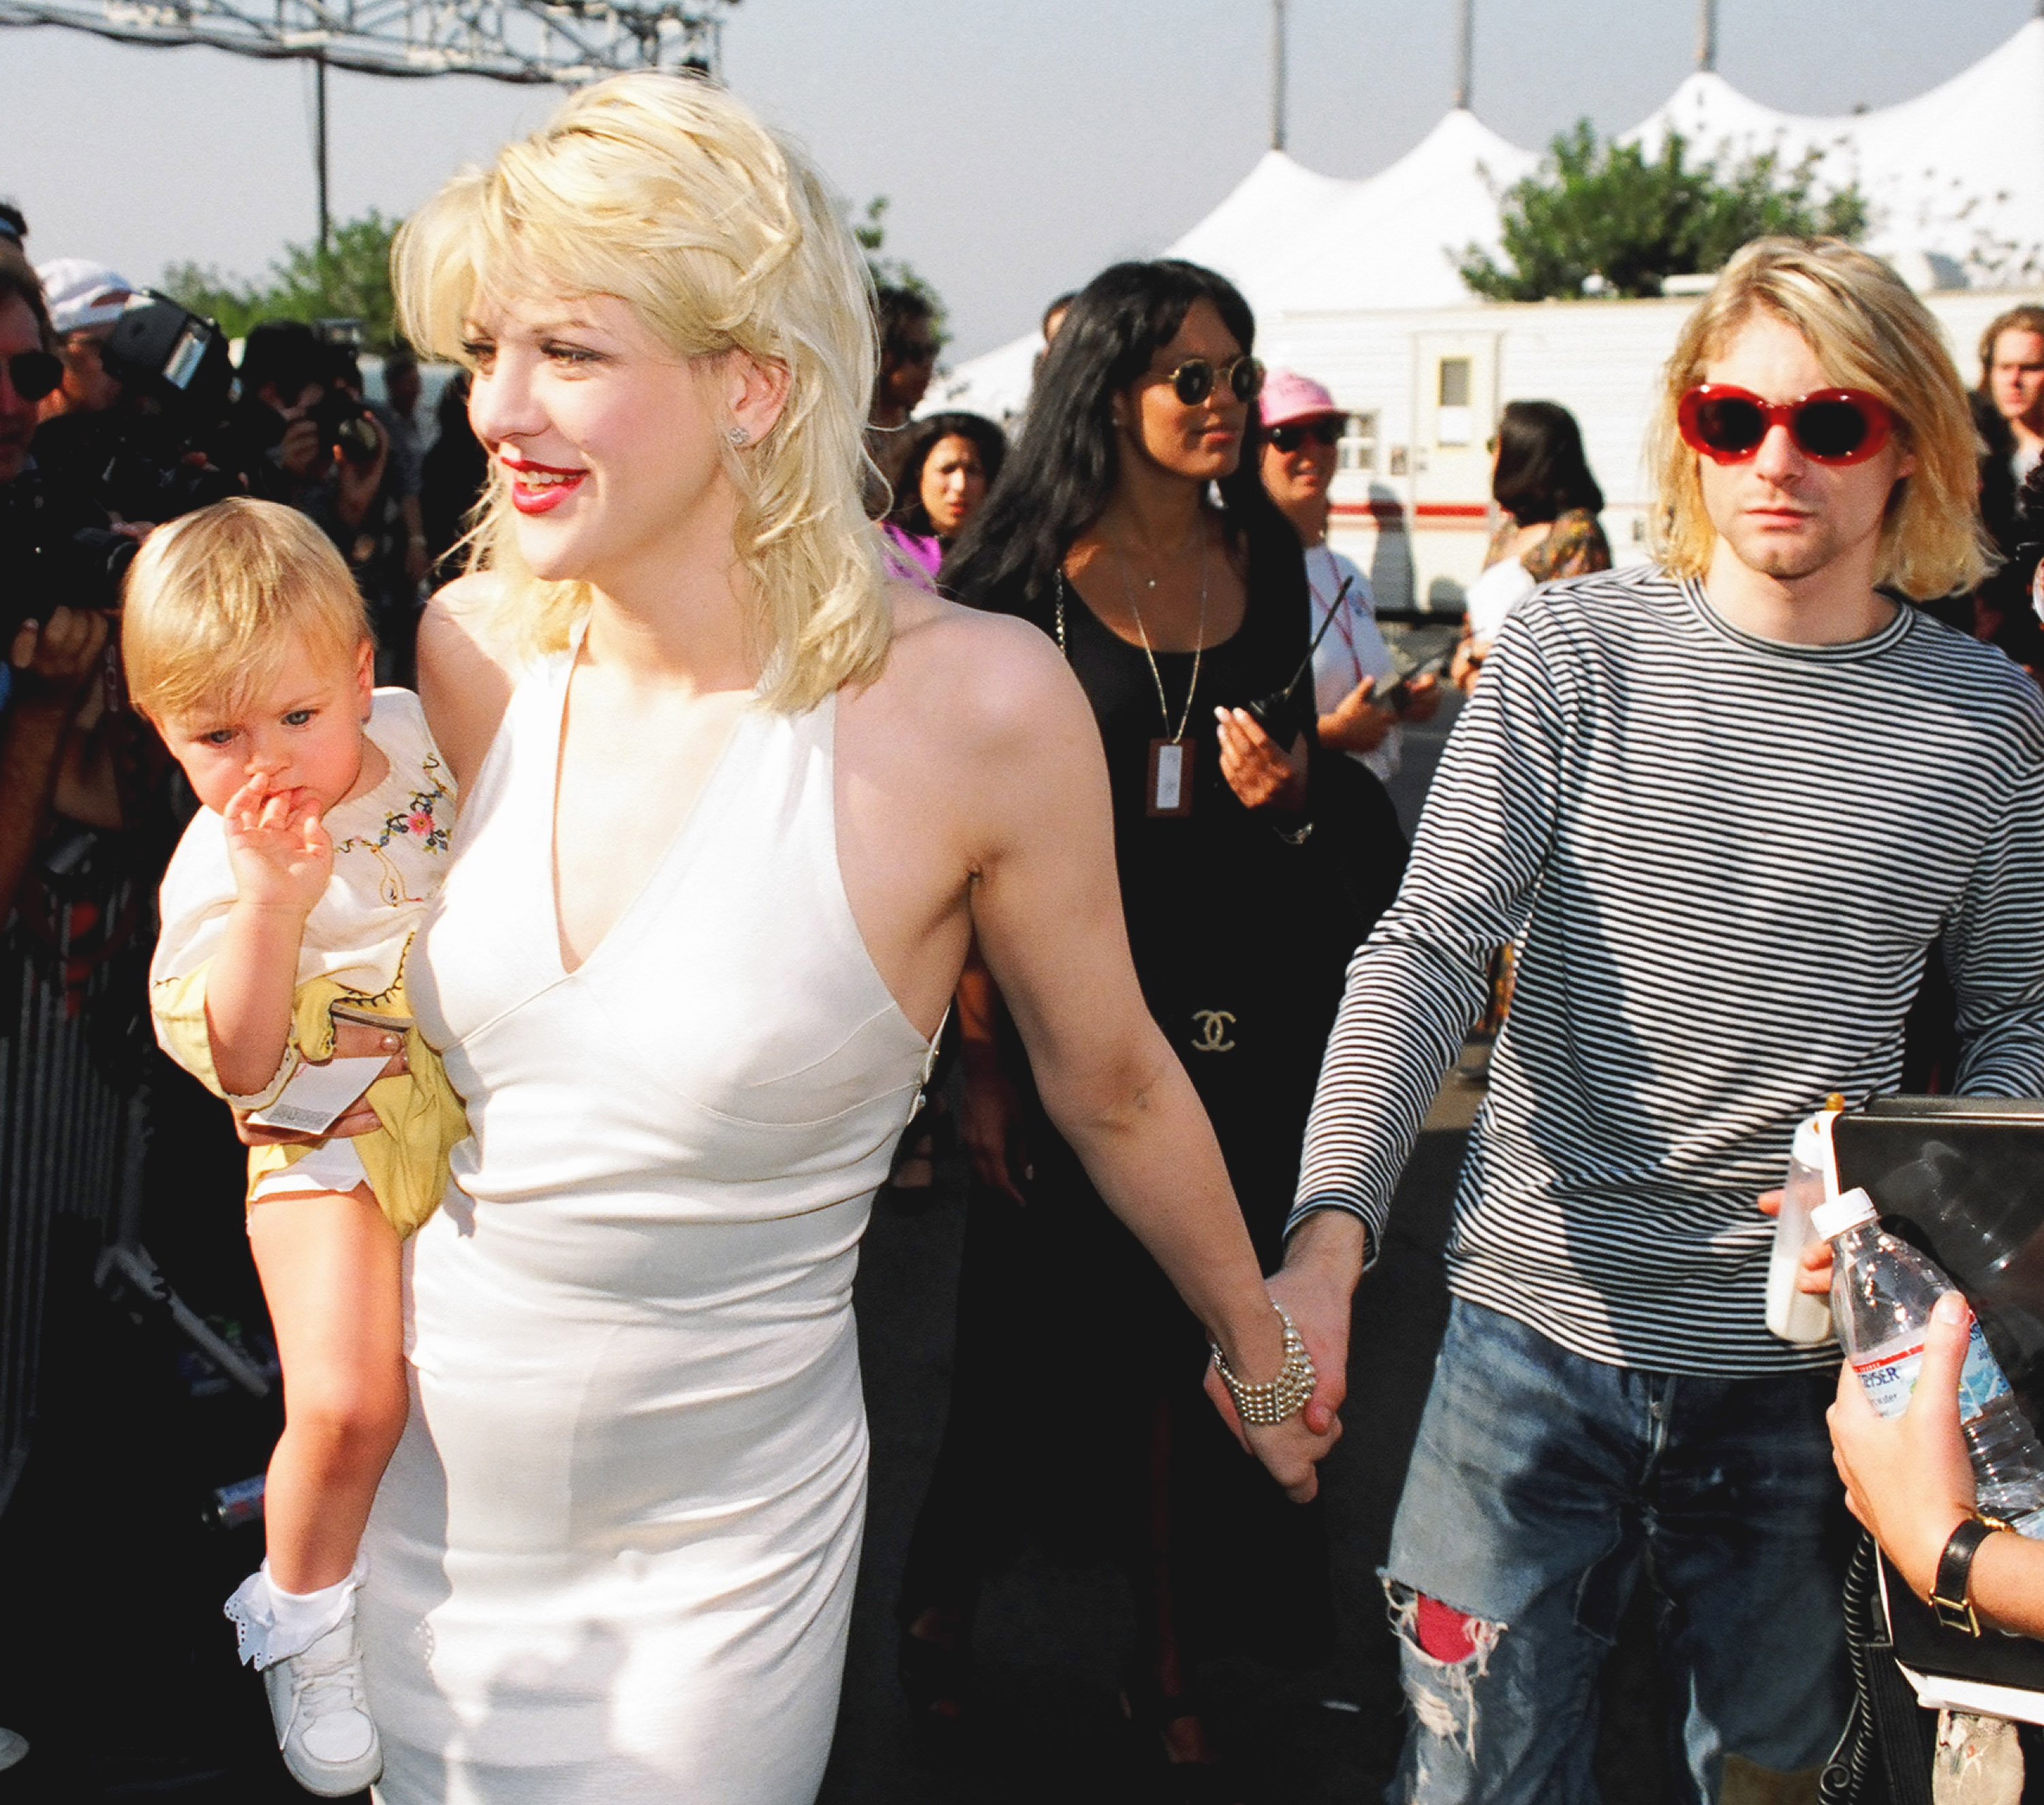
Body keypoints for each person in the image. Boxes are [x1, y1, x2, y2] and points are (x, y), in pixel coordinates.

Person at [251, 74, 1331, 1805]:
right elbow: (339, 1059)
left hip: (716, 1563)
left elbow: (1111, 1074)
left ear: (751, 380)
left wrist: (1257, 1348)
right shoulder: (459, 649)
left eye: (570, 355)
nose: (499, 411)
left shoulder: (971, 706)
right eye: (483, 353)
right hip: (424, 1528)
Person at [1273, 236, 2044, 1805]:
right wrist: (1326, 1237)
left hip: (1808, 1385)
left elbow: (2019, 1017)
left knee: (1768, 1783)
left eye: (1830, 424)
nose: (1774, 459)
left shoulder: (1984, 719)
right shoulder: (1571, 650)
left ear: (1908, 445)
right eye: (1729, 418)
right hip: (1521, 1342)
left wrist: (1908, 1203)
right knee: (1479, 1780)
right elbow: (1428, 945)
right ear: (1687, 432)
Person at [897, 260, 1399, 1791]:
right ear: (1109, 390)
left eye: (1238, 374)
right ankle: (936, 1601)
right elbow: (958, 848)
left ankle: (1172, 1652)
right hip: (1066, 1022)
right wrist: (983, 1060)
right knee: (1028, 1358)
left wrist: (1297, 791)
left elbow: (1311, 781)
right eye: (1190, 375)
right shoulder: (1016, 582)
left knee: (1207, 1330)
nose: (1223, 402)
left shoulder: (1268, 553)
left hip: (1239, 1010)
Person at [129, 498, 467, 1797]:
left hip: (462, 1107)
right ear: (163, 733)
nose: (265, 759)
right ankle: (302, 1614)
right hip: (322, 1142)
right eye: (216, 735)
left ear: (360, 666)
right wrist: (273, 899)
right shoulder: (220, 863)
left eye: (296, 716)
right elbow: (249, 1057)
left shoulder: (419, 731)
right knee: (347, 1396)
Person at [1258, 369, 1439, 784]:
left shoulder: (1348, 572)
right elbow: (1226, 720)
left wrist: (1404, 698)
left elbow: (1356, 681)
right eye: (1287, 436)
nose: (1313, 450)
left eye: (1326, 431)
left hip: (1365, 811)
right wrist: (1331, 734)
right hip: (1295, 820)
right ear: (1253, 452)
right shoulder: (1242, 572)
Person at [1450, 398, 1609, 693]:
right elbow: (1476, 626)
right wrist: (1469, 665)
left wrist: (1478, 656)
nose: (1491, 457)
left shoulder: (1577, 533)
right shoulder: (1510, 531)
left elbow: (1572, 645)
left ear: (1525, 455)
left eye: (1495, 446)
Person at [879, 409, 1005, 588]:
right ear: (918, 476)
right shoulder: (882, 548)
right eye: (947, 469)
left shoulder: (1011, 559)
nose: (960, 485)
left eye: (973, 471)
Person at [865, 282, 939, 497]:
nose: (927, 365)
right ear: (879, 353)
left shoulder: (932, 445)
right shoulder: (840, 444)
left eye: (931, 352)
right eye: (915, 352)